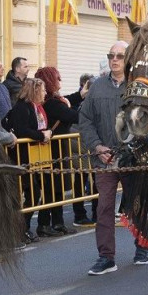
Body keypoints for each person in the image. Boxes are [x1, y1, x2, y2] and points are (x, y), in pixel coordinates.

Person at [78, 41, 148, 275]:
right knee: (105, 208)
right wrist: (97, 147)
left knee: (136, 206)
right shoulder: (97, 87)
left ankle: (142, 246)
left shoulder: (139, 86)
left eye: (120, 56)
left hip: (133, 160)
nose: (115, 59)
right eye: (111, 55)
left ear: (128, 59)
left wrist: (136, 149)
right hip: (105, 160)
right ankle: (106, 257)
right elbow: (85, 120)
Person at [2, 78, 53, 243]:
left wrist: (46, 133)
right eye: (43, 90)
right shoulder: (22, 108)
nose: (45, 93)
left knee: (33, 193)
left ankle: (24, 228)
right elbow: (22, 130)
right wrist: (41, 135)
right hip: (20, 158)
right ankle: (18, 230)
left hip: (33, 158)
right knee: (27, 194)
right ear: (35, 91)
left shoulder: (36, 108)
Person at [33, 67, 79, 237]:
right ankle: (45, 224)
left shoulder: (54, 101)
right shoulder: (52, 103)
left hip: (57, 150)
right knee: (52, 188)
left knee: (57, 188)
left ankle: (57, 223)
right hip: (53, 151)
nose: (60, 81)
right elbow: (73, 116)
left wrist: (78, 96)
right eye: (58, 78)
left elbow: (69, 105)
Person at [65, 73, 96, 226]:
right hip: (79, 144)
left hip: (91, 144)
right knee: (81, 177)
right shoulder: (77, 102)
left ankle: (97, 212)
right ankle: (79, 214)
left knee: (97, 178)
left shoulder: (92, 100)